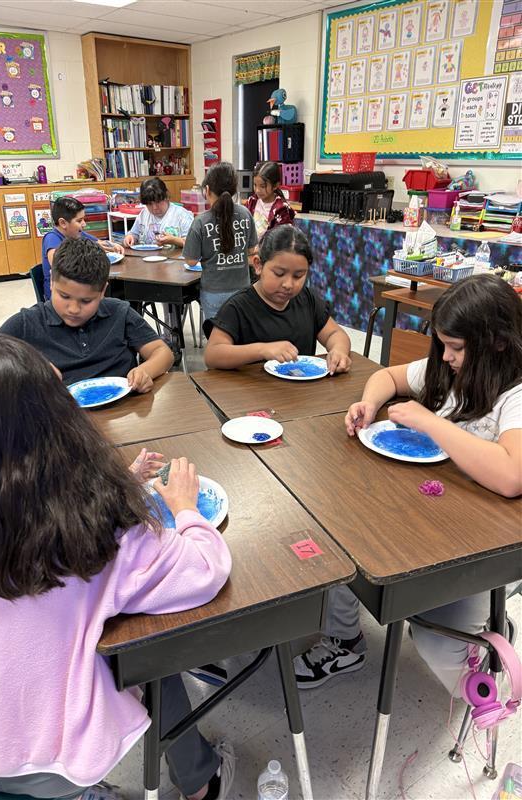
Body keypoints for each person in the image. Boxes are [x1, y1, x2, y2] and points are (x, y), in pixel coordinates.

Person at [0, 334, 235, 800]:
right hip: (60, 762)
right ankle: (199, 786)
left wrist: (119, 484)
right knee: (148, 651)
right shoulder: (92, 530)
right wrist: (185, 507)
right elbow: (206, 570)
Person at [345, 274, 522, 693]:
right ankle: (344, 641)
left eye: (456, 347)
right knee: (347, 544)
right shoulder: (446, 369)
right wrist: (369, 403)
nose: (445, 357)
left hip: (485, 546)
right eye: (442, 345)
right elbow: (388, 377)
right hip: (430, 523)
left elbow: (512, 477)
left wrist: (429, 422)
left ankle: (484, 673)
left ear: (497, 342)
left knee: (434, 638)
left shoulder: (514, 395)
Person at [0, 238, 173, 390]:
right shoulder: (26, 323)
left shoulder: (119, 312)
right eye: (64, 296)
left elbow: (162, 352)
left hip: (123, 414)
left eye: (86, 301)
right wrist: (29, 368)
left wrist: (144, 371)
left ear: (103, 290)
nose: (74, 309)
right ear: (52, 281)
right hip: (60, 418)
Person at [204, 224, 352, 374]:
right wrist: (262, 350)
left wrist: (338, 351)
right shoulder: (238, 307)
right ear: (258, 265)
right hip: (253, 392)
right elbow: (212, 355)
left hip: (302, 393)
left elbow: (335, 334)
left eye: (298, 276)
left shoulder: (308, 299)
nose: (288, 284)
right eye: (279, 273)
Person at [183, 162, 258, 322]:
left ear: (207, 190)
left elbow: (191, 260)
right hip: (242, 291)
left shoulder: (201, 222)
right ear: (234, 189)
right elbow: (252, 250)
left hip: (213, 292)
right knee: (240, 334)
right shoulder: (245, 214)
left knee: (217, 337)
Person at [42, 196, 123, 300]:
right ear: (63, 223)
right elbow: (59, 266)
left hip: (79, 287)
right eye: (79, 221)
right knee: (113, 294)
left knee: (119, 290)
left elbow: (100, 243)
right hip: (62, 296)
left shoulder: (76, 233)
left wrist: (114, 246)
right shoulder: (52, 238)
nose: (84, 224)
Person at [123, 177, 194, 248]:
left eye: (158, 202)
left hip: (174, 258)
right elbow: (134, 234)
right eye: (149, 204)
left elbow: (193, 244)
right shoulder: (144, 213)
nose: (154, 208)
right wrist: (129, 238)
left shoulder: (182, 215)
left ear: (166, 196)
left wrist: (174, 240)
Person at [245, 161, 295, 241]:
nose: (257, 190)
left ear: (275, 185)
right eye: (255, 185)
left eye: (262, 186)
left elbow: (281, 241)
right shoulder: (252, 201)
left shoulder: (282, 209)